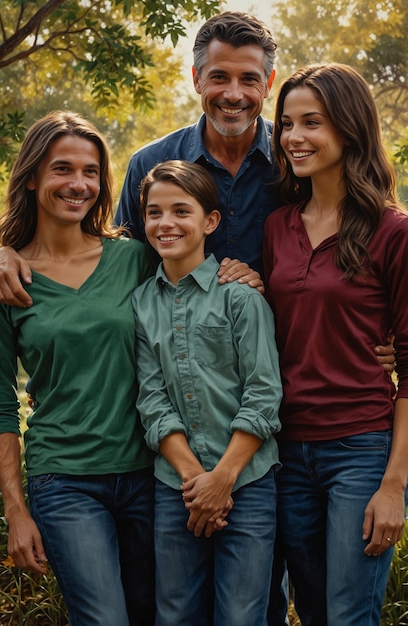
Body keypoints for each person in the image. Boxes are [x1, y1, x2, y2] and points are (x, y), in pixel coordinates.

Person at [0, 12, 395, 625]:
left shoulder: (291, 167)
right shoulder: (154, 162)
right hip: (167, 452)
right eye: (219, 76)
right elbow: (102, 246)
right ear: (196, 76)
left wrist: (370, 338)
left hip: (268, 435)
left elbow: (341, 247)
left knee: (258, 605)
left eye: (250, 79)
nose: (234, 92)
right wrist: (6, 249)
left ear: (268, 81)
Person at [262, 63, 408, 626]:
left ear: (350, 127)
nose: (294, 137)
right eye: (287, 124)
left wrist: (393, 483)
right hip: (285, 452)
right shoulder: (277, 227)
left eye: (312, 122)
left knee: (347, 614)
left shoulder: (396, 232)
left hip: (360, 452)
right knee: (310, 611)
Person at [0, 110, 156, 626]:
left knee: (157, 614)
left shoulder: (136, 260)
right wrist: (15, 509)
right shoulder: (5, 282)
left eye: (91, 172)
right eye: (62, 169)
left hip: (148, 473)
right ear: (32, 177)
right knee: (103, 619)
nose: (78, 184)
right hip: (65, 480)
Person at [132, 160, 283, 626]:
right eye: (155, 213)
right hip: (176, 486)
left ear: (210, 221)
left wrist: (222, 480)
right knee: (175, 613)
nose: (167, 223)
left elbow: (263, 394)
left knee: (241, 615)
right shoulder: (140, 303)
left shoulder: (241, 298)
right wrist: (197, 481)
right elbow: (152, 400)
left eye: (181, 211)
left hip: (249, 482)